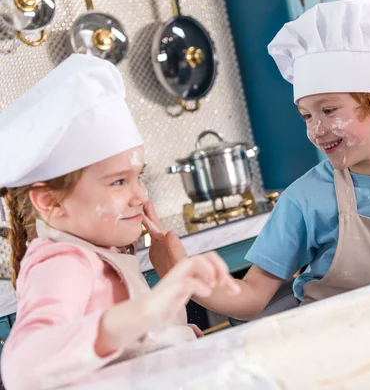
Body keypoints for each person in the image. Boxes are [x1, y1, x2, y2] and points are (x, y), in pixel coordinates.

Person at [149, 0, 370, 322]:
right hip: (333, 351)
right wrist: (186, 278)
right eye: (306, 116)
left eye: (328, 110)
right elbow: (251, 296)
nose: (316, 129)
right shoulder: (305, 199)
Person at [0, 54, 240, 389]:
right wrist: (150, 308)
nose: (141, 196)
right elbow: (23, 366)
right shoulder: (63, 262)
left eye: (138, 177)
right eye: (118, 182)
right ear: (50, 201)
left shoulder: (103, 251)